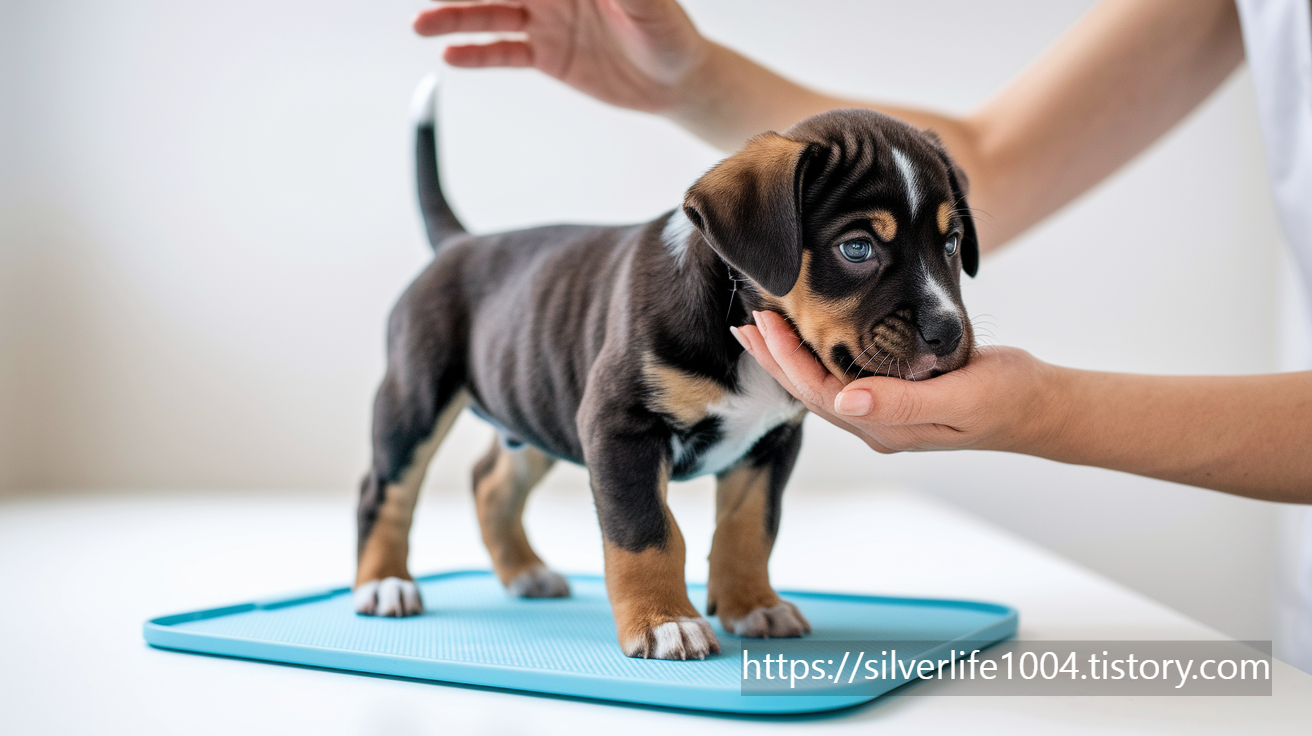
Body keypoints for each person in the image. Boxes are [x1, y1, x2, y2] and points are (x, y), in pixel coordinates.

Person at [414, 0, 1312, 662]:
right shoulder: (675, 310)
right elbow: (994, 153)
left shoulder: (805, 316)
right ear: (756, 243)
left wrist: (1042, 408)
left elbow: (957, 186)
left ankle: (739, 585)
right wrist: (683, 76)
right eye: (859, 248)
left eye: (949, 246)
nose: (941, 314)